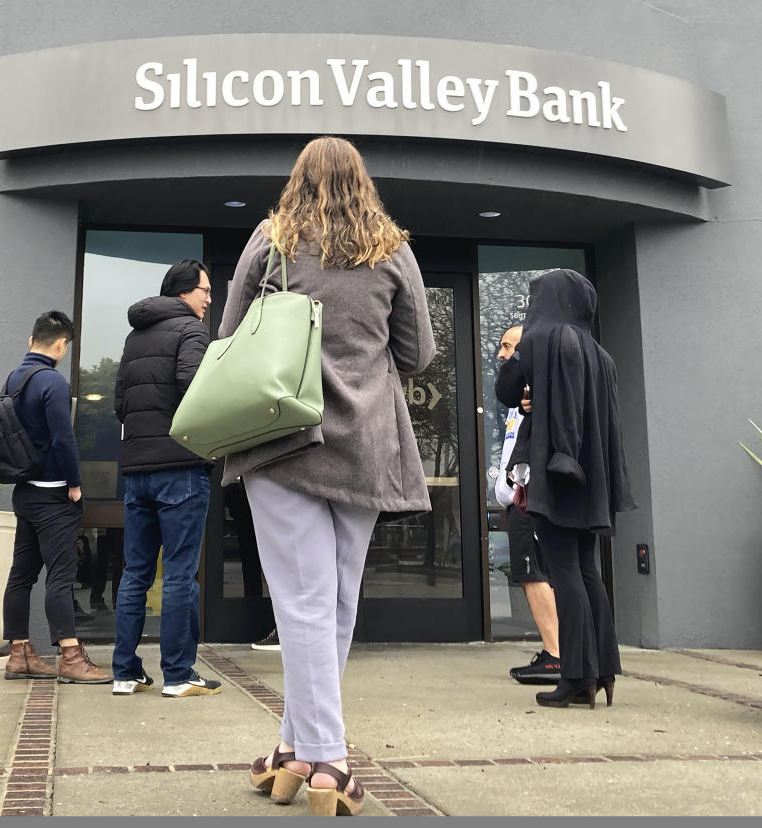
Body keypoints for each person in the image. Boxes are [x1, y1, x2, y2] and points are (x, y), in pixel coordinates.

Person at [228, 136, 435, 817]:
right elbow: (420, 353)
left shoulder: (271, 241)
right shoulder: (392, 249)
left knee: (302, 601)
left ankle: (328, 760)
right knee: (334, 602)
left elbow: (229, 337)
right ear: (362, 181)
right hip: (367, 444)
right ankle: (294, 750)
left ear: (298, 180)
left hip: (280, 440)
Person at [496, 269, 635, 709]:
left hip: (556, 470)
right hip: (593, 477)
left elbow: (504, 389)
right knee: (587, 568)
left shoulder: (541, 341)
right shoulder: (599, 354)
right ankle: (603, 669)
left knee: (562, 571)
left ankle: (575, 675)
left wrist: (521, 365)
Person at [111, 259, 222, 699]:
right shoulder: (192, 331)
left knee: (135, 573)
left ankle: (125, 672)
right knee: (179, 575)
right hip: (180, 468)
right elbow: (194, 385)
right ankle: (178, 674)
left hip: (137, 471)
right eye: (205, 291)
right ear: (182, 292)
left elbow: (120, 404)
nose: (209, 299)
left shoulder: (135, 337)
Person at [1, 310, 113, 685]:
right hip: (52, 495)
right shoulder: (53, 382)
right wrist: (75, 484)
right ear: (62, 344)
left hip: (24, 493)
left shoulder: (14, 378)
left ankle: (19, 654)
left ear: (31, 340)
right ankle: (70, 655)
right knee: (61, 577)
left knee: (21, 575)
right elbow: (64, 439)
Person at [494, 324, 561, 684]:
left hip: (528, 501)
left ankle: (555, 654)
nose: (503, 354)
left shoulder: (537, 397)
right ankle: (558, 651)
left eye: (509, 347)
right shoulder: (517, 401)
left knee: (533, 574)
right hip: (518, 500)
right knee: (533, 574)